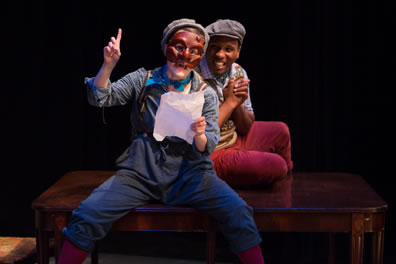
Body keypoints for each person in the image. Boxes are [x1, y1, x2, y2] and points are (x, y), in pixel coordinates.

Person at [57, 18, 265, 264]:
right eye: (178, 47)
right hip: (141, 171)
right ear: (166, 46)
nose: (184, 56)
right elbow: (101, 97)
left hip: (191, 173)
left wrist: (199, 132)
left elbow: (207, 144)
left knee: (238, 212)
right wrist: (108, 66)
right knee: (89, 213)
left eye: (195, 51)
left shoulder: (205, 92)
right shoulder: (144, 80)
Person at [196, 19, 293, 187]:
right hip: (211, 153)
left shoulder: (237, 71)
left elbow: (245, 128)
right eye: (214, 47)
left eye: (228, 49)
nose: (220, 55)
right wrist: (230, 102)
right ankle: (212, 175)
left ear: (238, 52)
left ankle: (286, 185)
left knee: (281, 131)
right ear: (206, 48)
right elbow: (202, 135)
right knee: (275, 165)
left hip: (233, 138)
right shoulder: (193, 76)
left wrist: (236, 104)